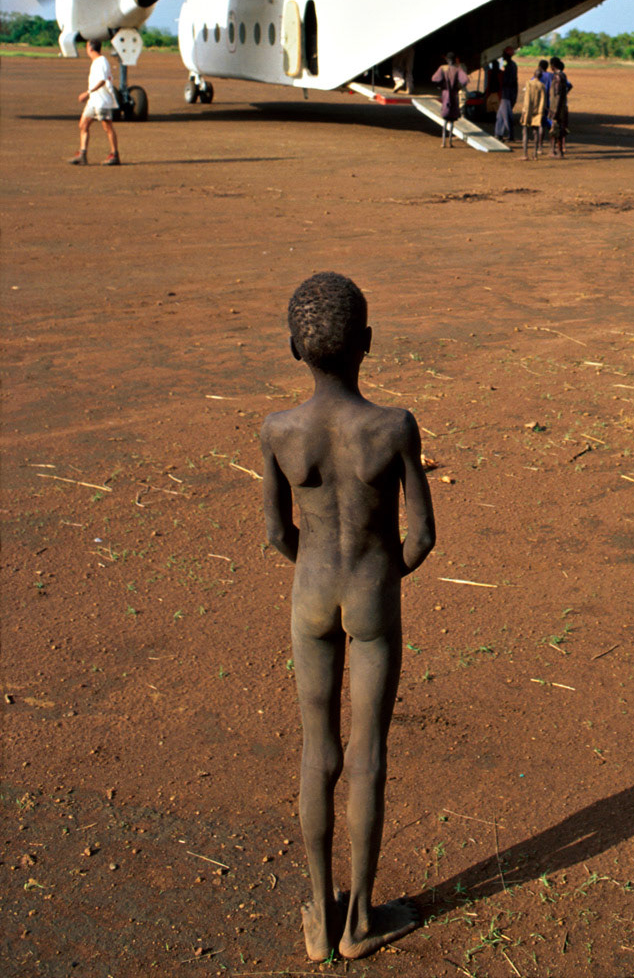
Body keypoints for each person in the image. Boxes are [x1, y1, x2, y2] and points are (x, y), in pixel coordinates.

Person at [261, 272, 436, 962]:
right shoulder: (392, 427)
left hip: (310, 595)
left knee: (317, 754)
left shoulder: (278, 430)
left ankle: (319, 911)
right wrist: (381, 573)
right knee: (367, 756)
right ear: (368, 342)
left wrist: (315, 569)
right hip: (369, 595)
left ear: (291, 348)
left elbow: (277, 533)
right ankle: (361, 917)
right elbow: (420, 535)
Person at [69, 38, 120, 165]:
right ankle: (82, 153)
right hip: (93, 101)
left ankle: (114, 154)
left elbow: (103, 80)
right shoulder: (96, 62)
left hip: (102, 100)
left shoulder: (102, 61)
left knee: (107, 126)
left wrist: (88, 92)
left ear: (90, 48)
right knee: (83, 124)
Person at [431, 53, 469, 147]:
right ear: (455, 60)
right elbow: (465, 80)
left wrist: (441, 86)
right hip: (454, 95)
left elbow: (434, 79)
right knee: (452, 119)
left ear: (447, 60)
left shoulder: (442, 68)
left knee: (445, 118)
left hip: (445, 94)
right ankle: (450, 142)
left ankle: (443, 142)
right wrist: (458, 87)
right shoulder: (457, 69)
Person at [521, 61, 547, 160]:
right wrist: (541, 112)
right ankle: (535, 154)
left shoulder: (529, 84)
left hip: (528, 110)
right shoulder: (542, 86)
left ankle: (525, 154)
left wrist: (524, 111)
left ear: (534, 75)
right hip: (538, 112)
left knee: (525, 132)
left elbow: (527, 99)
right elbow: (543, 101)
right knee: (535, 132)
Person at [547, 56, 572, 158]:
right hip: (562, 106)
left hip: (557, 107)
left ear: (553, 65)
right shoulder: (563, 75)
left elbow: (557, 95)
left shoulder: (557, 77)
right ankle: (559, 151)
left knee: (555, 129)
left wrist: (554, 111)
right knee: (560, 129)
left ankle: (557, 152)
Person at [494, 47, 518, 143]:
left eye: (504, 55)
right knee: (500, 115)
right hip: (506, 93)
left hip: (507, 94)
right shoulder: (511, 65)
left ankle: (510, 135)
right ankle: (498, 134)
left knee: (506, 115)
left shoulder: (509, 66)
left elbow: (509, 81)